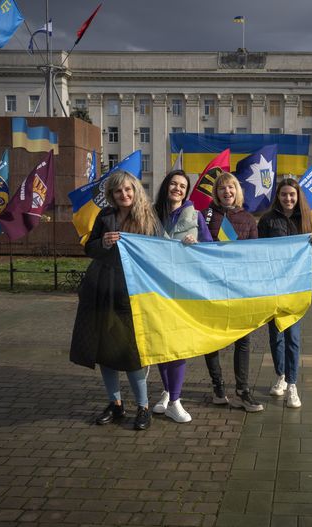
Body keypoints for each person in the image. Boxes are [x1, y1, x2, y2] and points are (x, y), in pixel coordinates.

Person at [70, 170, 161, 431]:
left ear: (136, 191)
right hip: (100, 290)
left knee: (131, 353)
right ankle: (116, 404)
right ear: (112, 194)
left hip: (130, 293)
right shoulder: (105, 216)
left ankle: (143, 407)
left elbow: (158, 252)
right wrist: (104, 243)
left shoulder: (147, 218)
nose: (124, 195)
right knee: (104, 352)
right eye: (119, 191)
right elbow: (90, 248)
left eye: (129, 190)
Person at [151, 169, 213, 423]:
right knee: (160, 344)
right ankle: (166, 392)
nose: (177, 189)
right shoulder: (151, 215)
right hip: (154, 287)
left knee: (177, 345)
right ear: (166, 186)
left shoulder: (195, 216)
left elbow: (211, 248)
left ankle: (175, 400)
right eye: (174, 184)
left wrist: (196, 246)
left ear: (187, 192)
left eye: (182, 186)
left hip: (183, 290)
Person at [202, 170, 265, 412]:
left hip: (239, 288)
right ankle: (218, 386)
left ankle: (242, 391)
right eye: (221, 188)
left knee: (243, 339)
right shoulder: (207, 216)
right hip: (211, 286)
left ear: (237, 191)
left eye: (230, 188)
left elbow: (254, 254)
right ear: (216, 193)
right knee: (211, 339)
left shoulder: (248, 219)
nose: (226, 192)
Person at [258, 177, 312, 409]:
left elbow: (311, 258)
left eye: (292, 195)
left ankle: (293, 385)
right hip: (274, 288)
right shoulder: (267, 220)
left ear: (298, 196)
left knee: (292, 336)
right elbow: (260, 252)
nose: (288, 198)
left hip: (295, 288)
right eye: (284, 194)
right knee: (276, 336)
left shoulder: (306, 219)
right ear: (278, 196)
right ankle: (281, 375)